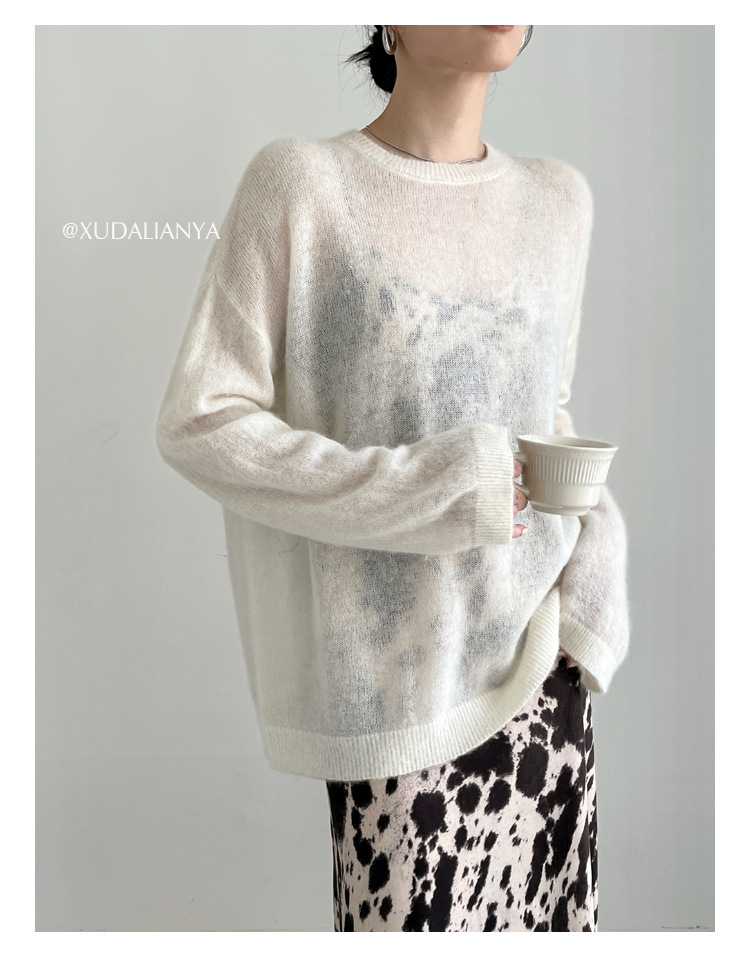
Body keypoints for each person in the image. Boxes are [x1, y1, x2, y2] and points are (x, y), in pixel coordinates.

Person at [155, 24, 630, 933]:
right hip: (398, 707)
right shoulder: (303, 186)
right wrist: (441, 489)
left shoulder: (558, 201)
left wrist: (590, 598)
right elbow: (201, 420)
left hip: (546, 679)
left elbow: (548, 412)